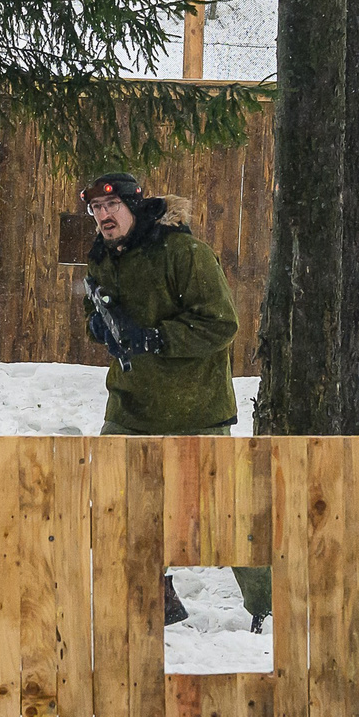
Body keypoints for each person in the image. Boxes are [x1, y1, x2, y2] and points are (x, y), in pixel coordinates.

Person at [78, 172, 271, 632]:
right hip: (130, 407)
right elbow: (94, 309)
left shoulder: (184, 254)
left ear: (133, 206)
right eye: (95, 210)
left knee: (224, 516)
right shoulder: (103, 257)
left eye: (111, 207)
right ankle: (151, 598)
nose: (103, 217)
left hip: (196, 408)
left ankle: (270, 607)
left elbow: (222, 325)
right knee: (114, 504)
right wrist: (100, 327)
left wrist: (156, 339)